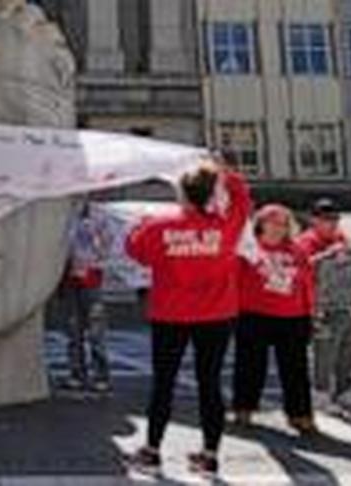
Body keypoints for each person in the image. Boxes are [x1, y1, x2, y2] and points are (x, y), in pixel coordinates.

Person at [123, 157, 251, 476]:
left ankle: (152, 451)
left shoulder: (159, 226)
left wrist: (139, 225)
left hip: (171, 314)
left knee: (163, 383)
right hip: (217, 314)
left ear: (181, 193)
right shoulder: (226, 226)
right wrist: (226, 172)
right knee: (210, 383)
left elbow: (134, 251)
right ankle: (209, 455)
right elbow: (242, 198)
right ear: (211, 193)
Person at [233, 204, 317, 434]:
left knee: (295, 369)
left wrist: (310, 313)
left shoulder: (297, 251)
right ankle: (244, 408)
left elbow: (307, 283)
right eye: (273, 222)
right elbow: (234, 280)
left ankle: (300, 414)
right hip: (254, 314)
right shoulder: (249, 249)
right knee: (250, 365)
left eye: (283, 223)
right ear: (260, 224)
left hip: (292, 317)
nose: (278, 228)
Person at [299, 199, 351, 404]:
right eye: (326, 219)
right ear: (314, 220)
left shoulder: (339, 237)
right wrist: (327, 254)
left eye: (335, 219)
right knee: (324, 356)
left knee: (348, 352)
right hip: (321, 309)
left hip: (347, 305)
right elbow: (300, 270)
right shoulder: (305, 242)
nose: (332, 223)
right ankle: (320, 397)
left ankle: (344, 391)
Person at [63, 204, 111, 393]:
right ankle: (76, 373)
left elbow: (106, 247)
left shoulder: (100, 217)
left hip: (92, 279)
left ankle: (101, 375)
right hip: (72, 278)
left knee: (95, 330)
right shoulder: (69, 215)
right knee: (73, 330)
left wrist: (96, 244)